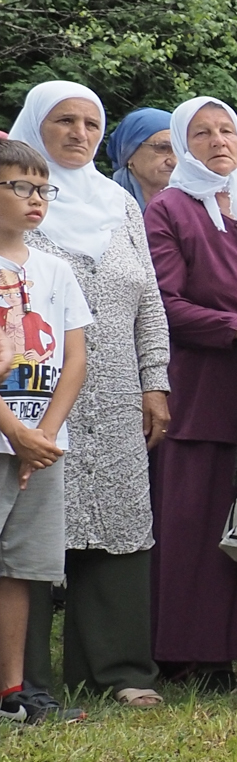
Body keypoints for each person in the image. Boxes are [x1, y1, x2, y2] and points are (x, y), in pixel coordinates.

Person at [11, 85, 169, 711]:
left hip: (117, 395)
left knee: (118, 520)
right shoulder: (18, 205)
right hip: (34, 394)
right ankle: (21, 676)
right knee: (27, 529)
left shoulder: (118, 205)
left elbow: (150, 299)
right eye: (64, 122)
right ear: (34, 128)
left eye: (91, 123)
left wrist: (154, 380)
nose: (80, 134)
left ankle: (118, 669)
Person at [146, 96, 237, 677]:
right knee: (196, 514)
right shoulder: (168, 210)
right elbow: (164, 301)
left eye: (226, 130)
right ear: (182, 144)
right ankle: (192, 652)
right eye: (200, 133)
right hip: (205, 379)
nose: (217, 141)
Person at [0, 138, 91, 726]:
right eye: (21, 187)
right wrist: (15, 431)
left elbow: (76, 357)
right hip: (8, 436)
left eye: (43, 189)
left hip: (40, 447)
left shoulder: (56, 269)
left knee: (21, 569)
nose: (37, 199)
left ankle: (11, 691)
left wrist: (44, 436)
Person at [105, 109, 175, 208]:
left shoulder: (188, 206)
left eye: (179, 150)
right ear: (129, 153)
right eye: (162, 148)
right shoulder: (103, 204)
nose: (174, 161)